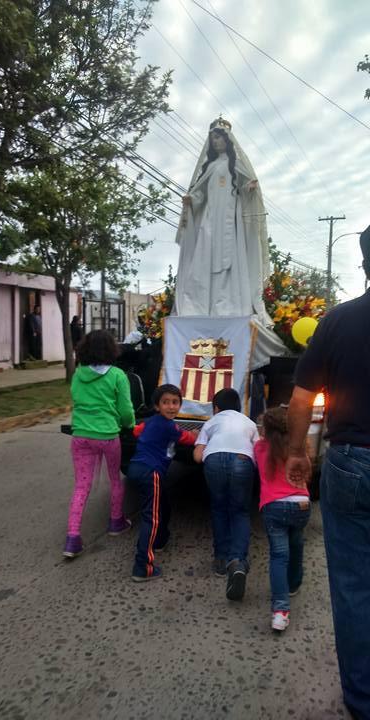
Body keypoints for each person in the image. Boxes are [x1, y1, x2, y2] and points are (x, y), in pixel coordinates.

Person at [285, 227, 370, 719]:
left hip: (352, 461)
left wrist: (298, 452)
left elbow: (301, 398)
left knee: (355, 585)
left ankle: (362, 700)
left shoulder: (337, 321)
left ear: (364, 266)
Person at [173, 116, 271, 324]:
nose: (216, 142)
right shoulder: (210, 167)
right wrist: (191, 199)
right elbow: (201, 195)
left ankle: (229, 305)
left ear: (227, 139)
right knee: (205, 259)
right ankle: (202, 305)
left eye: (219, 138)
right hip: (210, 221)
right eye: (213, 139)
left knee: (231, 262)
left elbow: (243, 190)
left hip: (230, 221)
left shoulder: (236, 165)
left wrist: (249, 188)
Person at [63, 330, 135, 558]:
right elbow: (125, 410)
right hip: (108, 436)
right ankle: (116, 522)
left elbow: (76, 398)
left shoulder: (78, 374)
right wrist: (129, 424)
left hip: (80, 435)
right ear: (111, 349)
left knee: (81, 487)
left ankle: (72, 538)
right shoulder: (117, 375)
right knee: (114, 479)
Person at [193, 388, 258, 601]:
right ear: (239, 407)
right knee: (240, 512)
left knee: (219, 509)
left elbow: (197, 456)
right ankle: (237, 561)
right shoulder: (249, 423)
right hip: (242, 460)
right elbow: (259, 451)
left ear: (216, 408)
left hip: (213, 459)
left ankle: (220, 560)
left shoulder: (211, 422)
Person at [127, 384, 197, 582]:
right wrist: (196, 434)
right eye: (166, 402)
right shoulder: (169, 427)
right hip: (151, 472)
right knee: (151, 518)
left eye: (175, 402)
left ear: (180, 405)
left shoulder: (150, 422)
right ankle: (142, 567)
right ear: (157, 406)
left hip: (136, 468)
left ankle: (159, 540)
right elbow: (188, 439)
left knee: (160, 503)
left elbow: (136, 431)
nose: (171, 406)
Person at [254, 407, 310, 632]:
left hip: (274, 506)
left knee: (279, 556)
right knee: (296, 542)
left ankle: (280, 611)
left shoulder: (260, 448)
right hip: (301, 504)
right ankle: (293, 584)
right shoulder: (300, 448)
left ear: (266, 429)